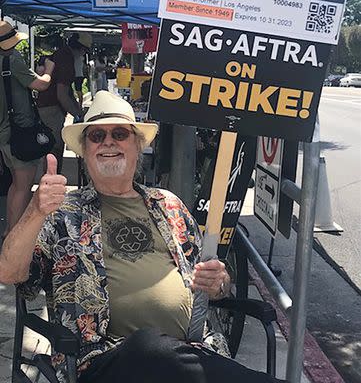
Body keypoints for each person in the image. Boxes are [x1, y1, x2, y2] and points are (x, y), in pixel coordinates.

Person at [0, 92, 285, 383]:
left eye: (120, 133)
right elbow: (9, 273)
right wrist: (34, 211)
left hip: (192, 351)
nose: (108, 142)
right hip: (102, 361)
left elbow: (215, 284)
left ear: (138, 147)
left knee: (160, 353)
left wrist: (219, 281)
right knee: (148, 347)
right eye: (96, 135)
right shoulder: (61, 213)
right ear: (85, 151)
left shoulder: (169, 204)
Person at [0, 21, 54, 232]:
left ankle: (9, 230)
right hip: (20, 131)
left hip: (5, 132)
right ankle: (14, 235)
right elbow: (41, 84)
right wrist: (48, 70)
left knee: (15, 184)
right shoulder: (11, 59)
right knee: (23, 186)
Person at [37, 32, 92, 173]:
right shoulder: (67, 60)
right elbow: (62, 94)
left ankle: (50, 181)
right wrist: (78, 115)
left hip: (47, 107)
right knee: (54, 150)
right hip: (51, 109)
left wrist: (78, 110)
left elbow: (68, 92)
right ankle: (51, 184)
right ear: (82, 49)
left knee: (51, 148)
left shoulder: (61, 54)